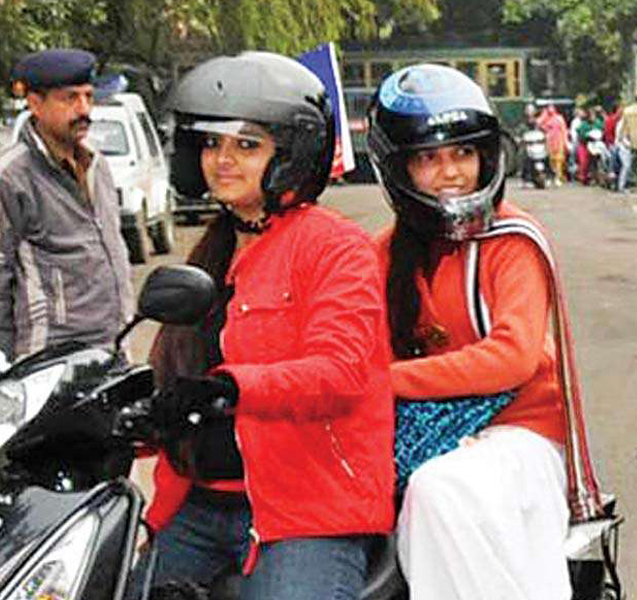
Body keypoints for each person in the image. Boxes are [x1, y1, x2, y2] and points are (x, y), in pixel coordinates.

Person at [139, 52, 394, 599]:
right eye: (212, 143)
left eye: (247, 145)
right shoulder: (211, 254)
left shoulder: (336, 248)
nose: (223, 160)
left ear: (292, 155)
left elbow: (339, 372)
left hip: (306, 512)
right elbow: (176, 389)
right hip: (196, 505)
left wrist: (230, 389)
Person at [368, 64, 605, 600]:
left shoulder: (512, 240)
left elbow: (512, 357)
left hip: (522, 433)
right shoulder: (380, 253)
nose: (450, 173)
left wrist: (388, 380)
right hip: (412, 436)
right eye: (428, 158)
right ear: (398, 169)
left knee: (437, 489)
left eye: (463, 153)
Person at [0, 49, 132, 359]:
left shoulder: (97, 165)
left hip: (113, 351)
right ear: (35, 104)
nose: (83, 109)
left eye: (88, 97)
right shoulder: (11, 178)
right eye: (70, 98)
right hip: (49, 363)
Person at [538, 104, 568, 185]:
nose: (550, 110)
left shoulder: (559, 118)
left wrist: (565, 142)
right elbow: (539, 124)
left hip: (558, 140)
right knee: (551, 160)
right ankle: (553, 176)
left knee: (559, 160)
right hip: (549, 141)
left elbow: (564, 130)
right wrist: (544, 115)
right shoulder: (547, 119)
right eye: (549, 109)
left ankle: (558, 177)